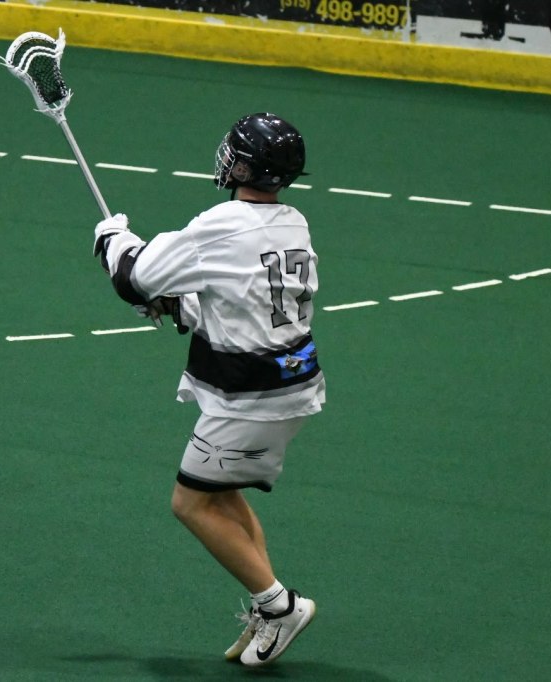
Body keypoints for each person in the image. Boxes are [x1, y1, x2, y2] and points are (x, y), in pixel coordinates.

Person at [91, 113, 325, 667]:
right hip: (291, 383)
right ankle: (267, 607)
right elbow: (240, 297)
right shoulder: (293, 221)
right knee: (221, 495)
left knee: (190, 503)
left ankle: (280, 606)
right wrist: (182, 303)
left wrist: (113, 240)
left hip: (251, 398)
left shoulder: (221, 224)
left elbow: (135, 279)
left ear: (243, 167)